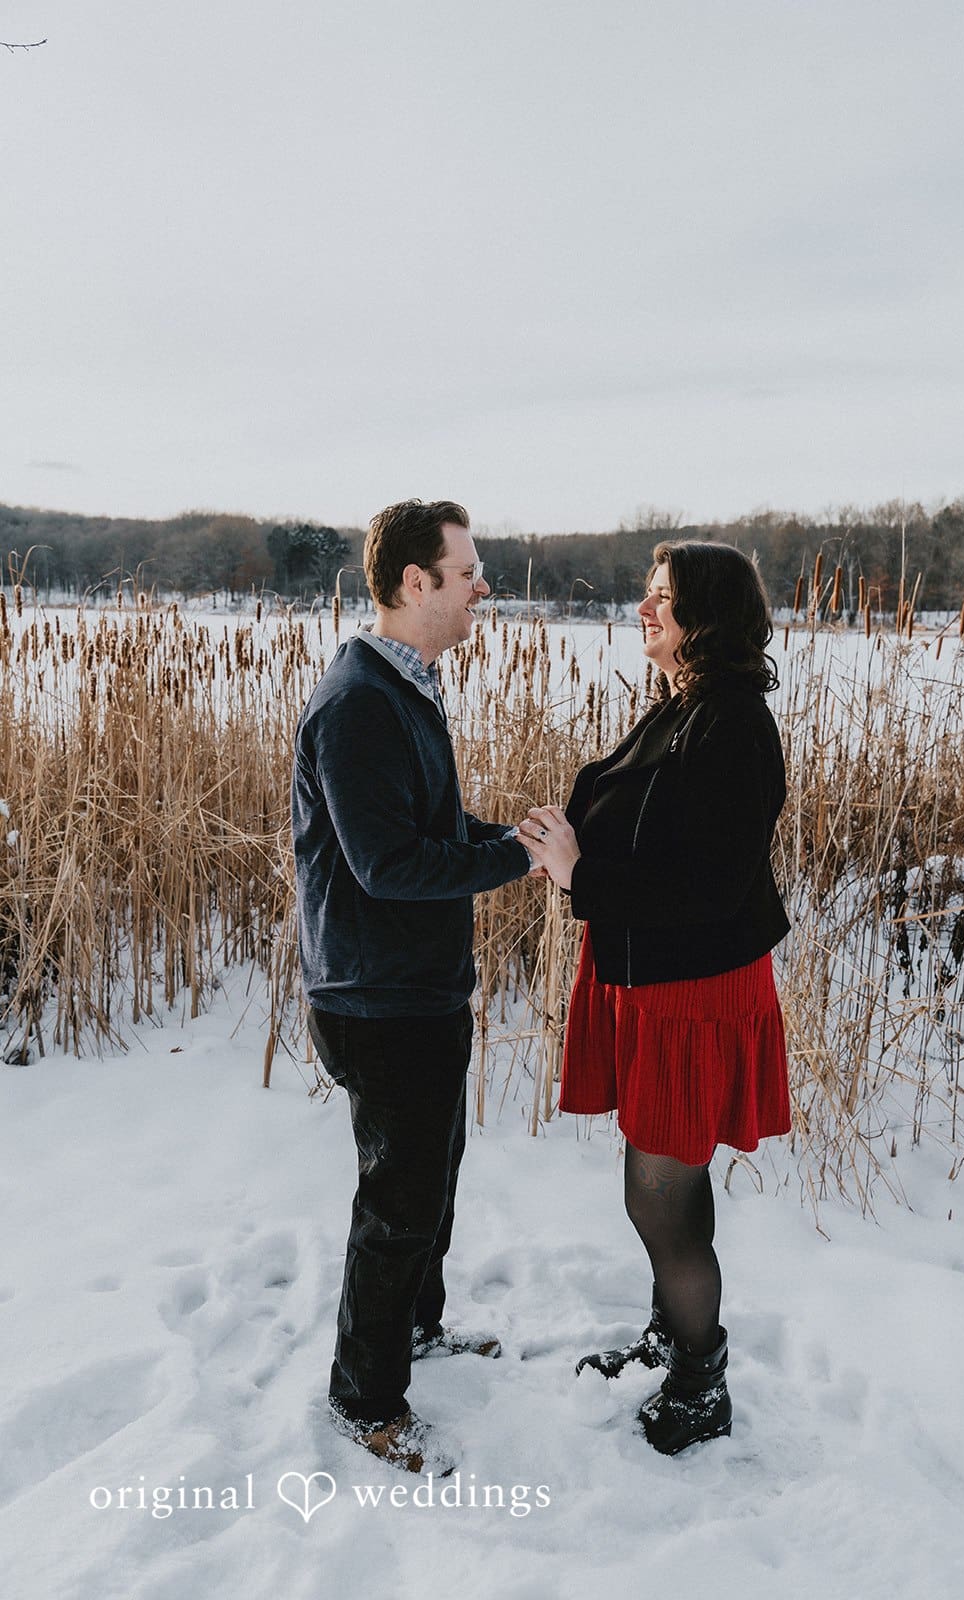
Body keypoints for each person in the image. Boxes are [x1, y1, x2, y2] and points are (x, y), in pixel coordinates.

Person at [519, 540, 791, 1456]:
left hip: (693, 993)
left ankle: (699, 1379)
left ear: (704, 617)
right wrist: (567, 838)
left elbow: (710, 887)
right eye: (644, 595)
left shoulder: (732, 725)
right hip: (648, 981)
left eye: (661, 598)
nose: (644, 609)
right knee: (663, 1182)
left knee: (657, 1197)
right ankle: (670, 1335)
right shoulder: (682, 708)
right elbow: (642, 824)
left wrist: (577, 878)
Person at [291, 499, 534, 1474]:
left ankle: (417, 1329)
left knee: (431, 1176)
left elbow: (428, 824)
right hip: (376, 997)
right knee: (395, 1203)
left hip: (416, 989)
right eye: (466, 569)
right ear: (412, 583)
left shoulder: (406, 685)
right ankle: (366, 1397)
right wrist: (511, 862)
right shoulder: (357, 701)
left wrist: (510, 838)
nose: (483, 584)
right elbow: (388, 864)